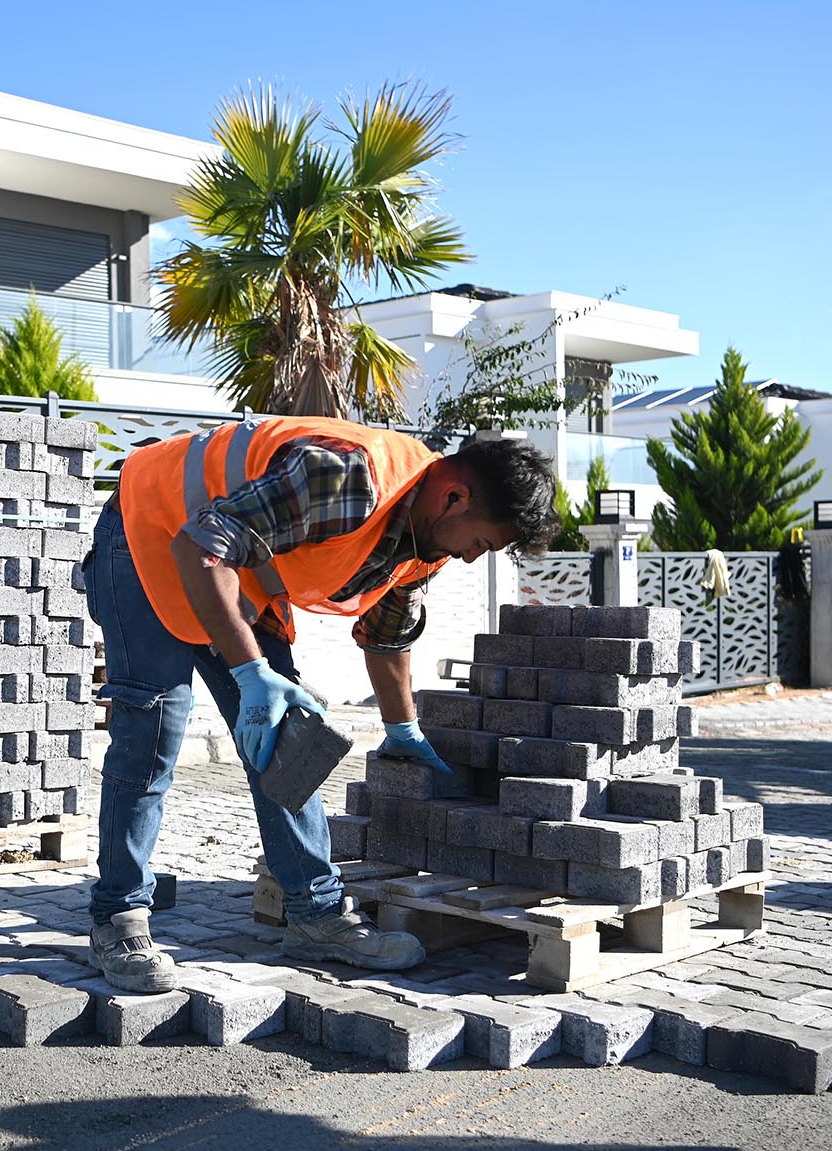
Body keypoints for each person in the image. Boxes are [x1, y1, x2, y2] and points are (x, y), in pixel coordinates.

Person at [81, 417, 560, 992]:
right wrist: (251, 672)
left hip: (231, 566)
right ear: (454, 497)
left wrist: (402, 727)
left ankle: (316, 915)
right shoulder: (347, 478)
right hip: (147, 532)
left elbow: (386, 637)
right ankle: (119, 917)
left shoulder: (424, 540)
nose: (471, 560)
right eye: (481, 544)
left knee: (290, 735)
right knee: (154, 726)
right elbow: (198, 547)